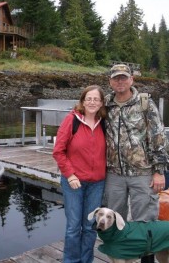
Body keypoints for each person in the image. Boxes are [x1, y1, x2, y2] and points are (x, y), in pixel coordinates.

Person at [103, 64, 169, 263]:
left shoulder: (144, 103)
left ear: (131, 79)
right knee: (114, 219)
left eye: (124, 77)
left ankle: (146, 260)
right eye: (116, 78)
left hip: (143, 173)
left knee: (145, 221)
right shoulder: (106, 104)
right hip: (114, 174)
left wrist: (159, 171)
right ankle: (119, 256)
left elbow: (158, 137)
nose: (120, 81)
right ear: (110, 81)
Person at [53, 85, 107, 263]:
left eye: (96, 99)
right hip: (73, 182)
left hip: (97, 183)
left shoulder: (104, 122)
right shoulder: (72, 120)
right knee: (74, 227)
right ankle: (71, 261)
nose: (92, 102)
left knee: (90, 226)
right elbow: (58, 151)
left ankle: (86, 260)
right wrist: (70, 175)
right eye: (89, 98)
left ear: (101, 103)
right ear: (83, 101)